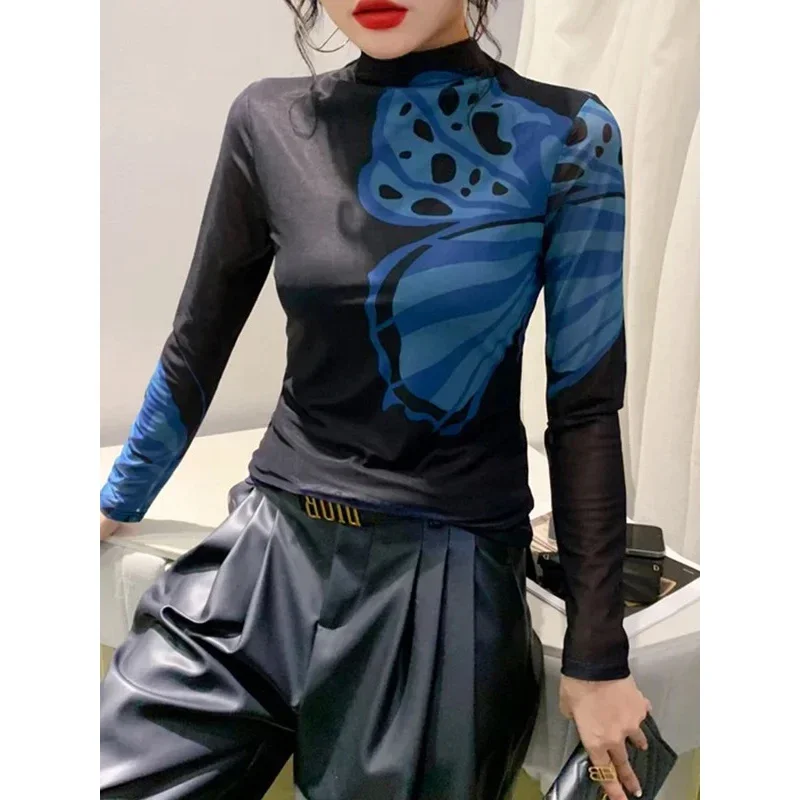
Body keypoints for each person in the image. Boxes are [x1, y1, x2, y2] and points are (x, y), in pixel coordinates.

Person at [99, 1, 652, 798]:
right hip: (265, 554)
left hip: (440, 580)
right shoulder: (269, 120)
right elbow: (198, 342)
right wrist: (115, 500)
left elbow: (585, 407)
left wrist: (598, 654)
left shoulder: (567, 136)